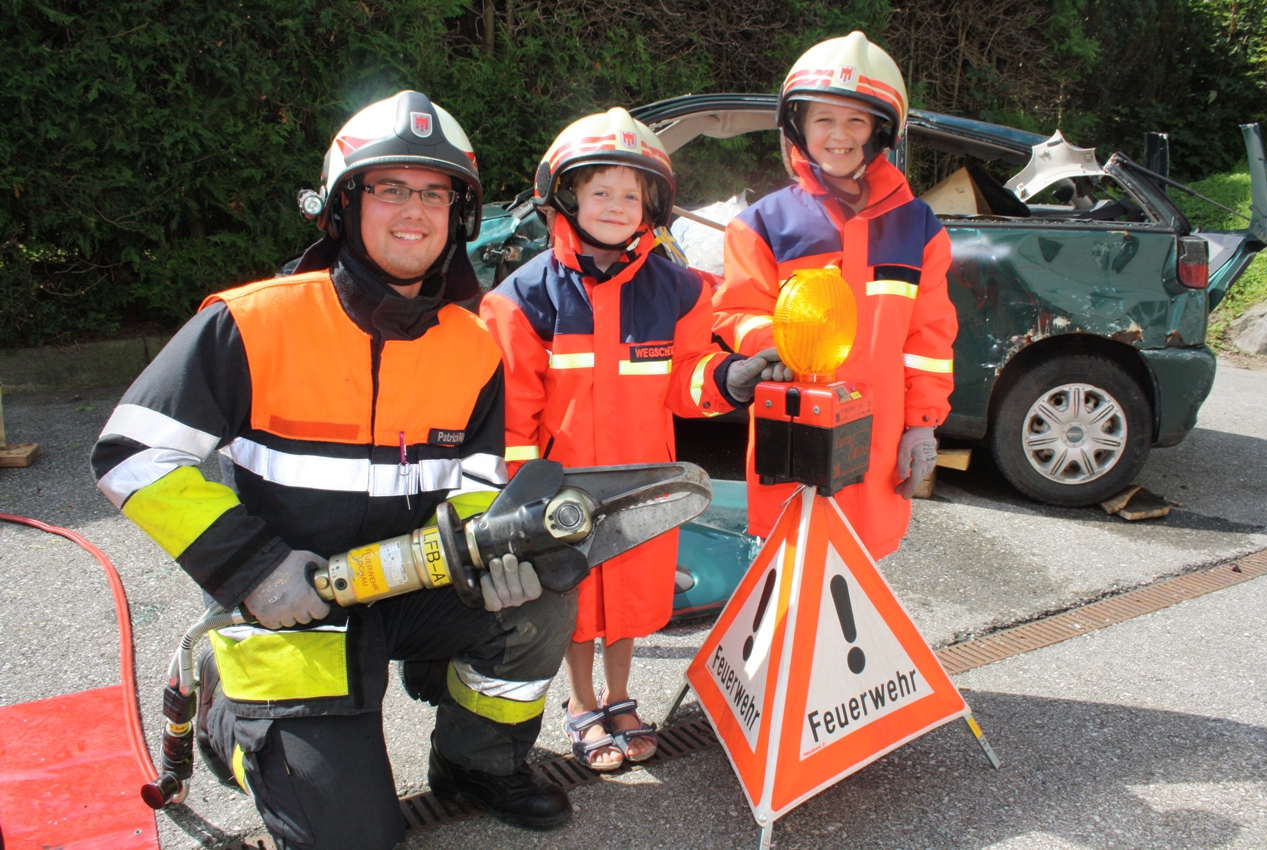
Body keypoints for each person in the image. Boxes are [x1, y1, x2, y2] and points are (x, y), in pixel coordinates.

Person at [91, 91, 576, 850]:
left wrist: (489, 555)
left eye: (435, 193)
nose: (414, 211)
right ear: (342, 205)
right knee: (354, 840)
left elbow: (477, 483)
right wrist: (253, 567)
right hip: (293, 608)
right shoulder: (253, 322)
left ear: (459, 215)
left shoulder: (472, 345)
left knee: (541, 598)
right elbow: (130, 454)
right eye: (389, 188)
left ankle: (474, 764)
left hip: (407, 583)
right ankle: (227, 717)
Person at [480, 108, 786, 771]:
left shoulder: (677, 291)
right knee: (573, 599)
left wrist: (730, 377)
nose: (616, 207)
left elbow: (685, 381)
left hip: (642, 483)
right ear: (564, 196)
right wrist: (519, 494)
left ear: (651, 206)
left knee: (627, 600)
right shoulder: (523, 299)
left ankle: (620, 698)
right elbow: (515, 410)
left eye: (630, 195)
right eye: (600, 192)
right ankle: (581, 702)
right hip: (562, 490)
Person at [712, 32, 958, 560]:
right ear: (798, 126)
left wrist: (922, 425)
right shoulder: (762, 225)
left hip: (879, 442)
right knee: (788, 579)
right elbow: (737, 311)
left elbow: (929, 340)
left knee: (858, 583)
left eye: (855, 121)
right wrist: (775, 347)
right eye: (823, 119)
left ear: (880, 130)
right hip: (791, 433)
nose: (839, 135)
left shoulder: (919, 229)